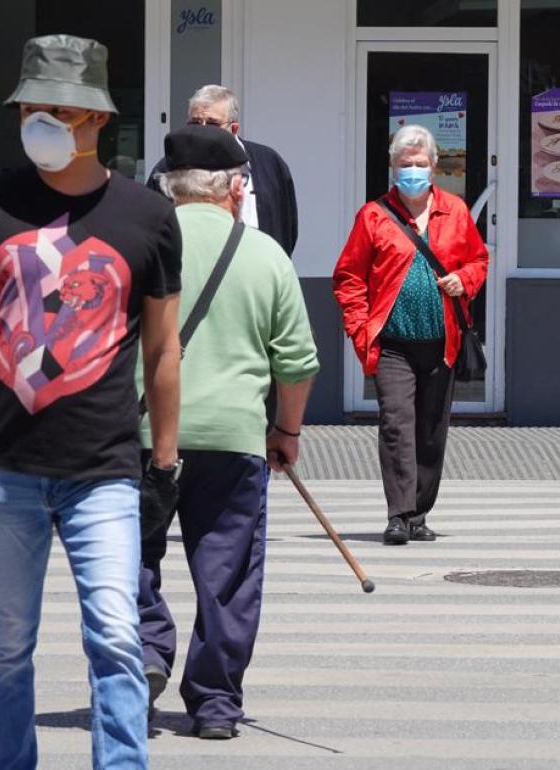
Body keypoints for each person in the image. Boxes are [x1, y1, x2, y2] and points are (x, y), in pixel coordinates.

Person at [0, 34, 182, 770]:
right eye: (32, 107)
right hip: (5, 469)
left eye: (62, 110)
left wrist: (164, 464)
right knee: (6, 648)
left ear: (99, 119)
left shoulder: (145, 215)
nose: (44, 121)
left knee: (118, 639)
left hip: (103, 470)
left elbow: (164, 351)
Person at [137, 124, 319, 740]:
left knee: (132, 559)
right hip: (234, 439)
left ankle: (144, 652)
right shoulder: (265, 254)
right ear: (236, 188)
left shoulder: (139, 245)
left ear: (166, 186)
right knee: (228, 574)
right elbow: (297, 361)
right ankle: (215, 703)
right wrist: (286, 433)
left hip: (141, 433)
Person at [333, 125, 488, 545]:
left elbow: (478, 260)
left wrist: (464, 280)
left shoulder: (455, 210)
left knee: (431, 430)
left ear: (434, 167)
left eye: (421, 164)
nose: (413, 172)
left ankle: (419, 512)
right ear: (392, 167)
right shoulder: (373, 215)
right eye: (406, 165)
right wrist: (361, 329)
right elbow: (349, 277)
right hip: (393, 344)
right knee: (397, 425)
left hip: (442, 344)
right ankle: (399, 514)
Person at [147, 85, 298, 256]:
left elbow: (287, 226)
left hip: (255, 268)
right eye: (195, 122)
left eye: (212, 123)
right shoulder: (169, 168)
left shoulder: (269, 162)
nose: (202, 130)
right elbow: (150, 224)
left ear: (234, 129)